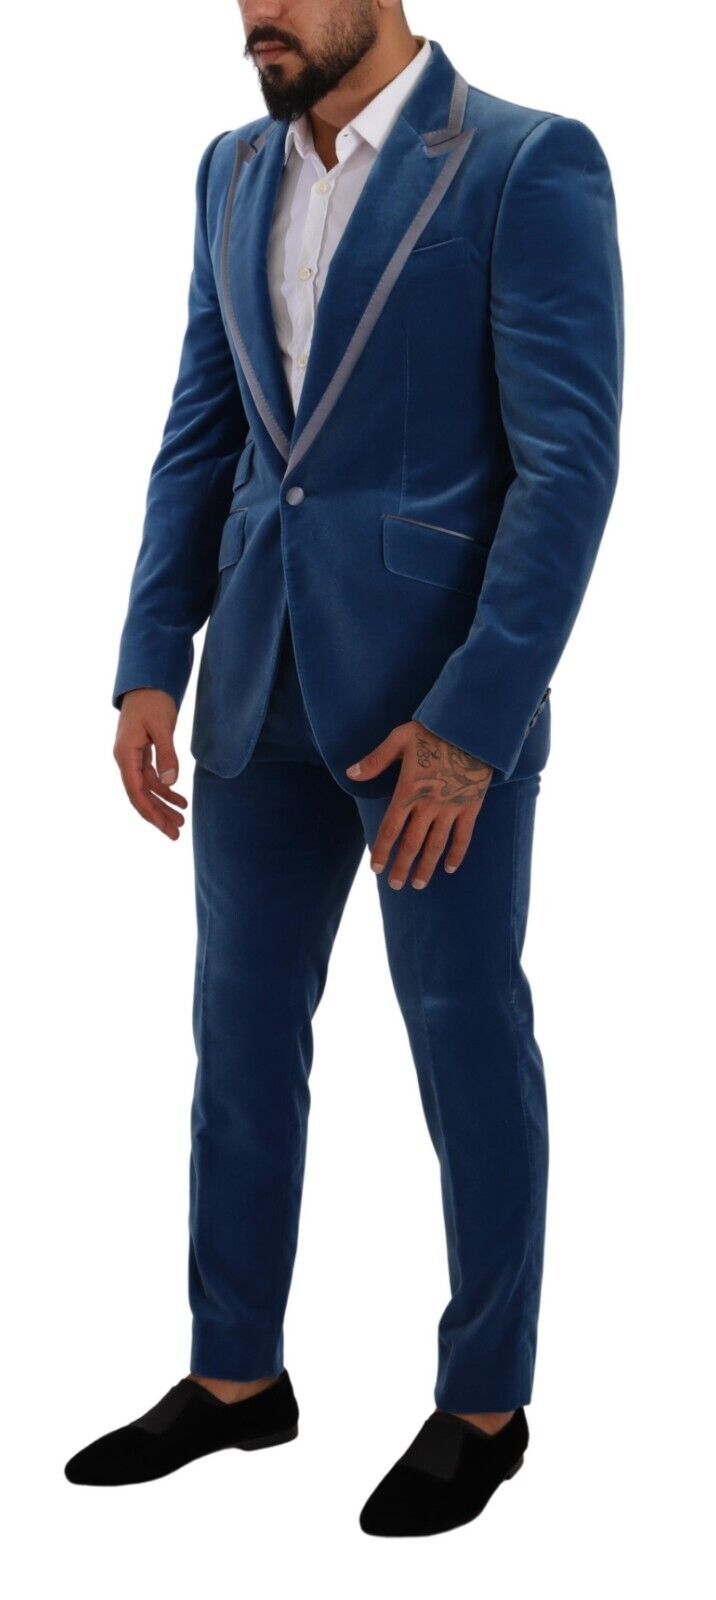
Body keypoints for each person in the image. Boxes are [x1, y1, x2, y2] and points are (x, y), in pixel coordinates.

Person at [65, 1, 623, 1538]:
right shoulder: (232, 167)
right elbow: (204, 426)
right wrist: (149, 654)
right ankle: (236, 1375)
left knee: (464, 1036)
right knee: (239, 1039)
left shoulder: (526, 162)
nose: (257, 13)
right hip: (257, 685)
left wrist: (476, 717)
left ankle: (484, 1403)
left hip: (433, 712)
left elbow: (569, 466)